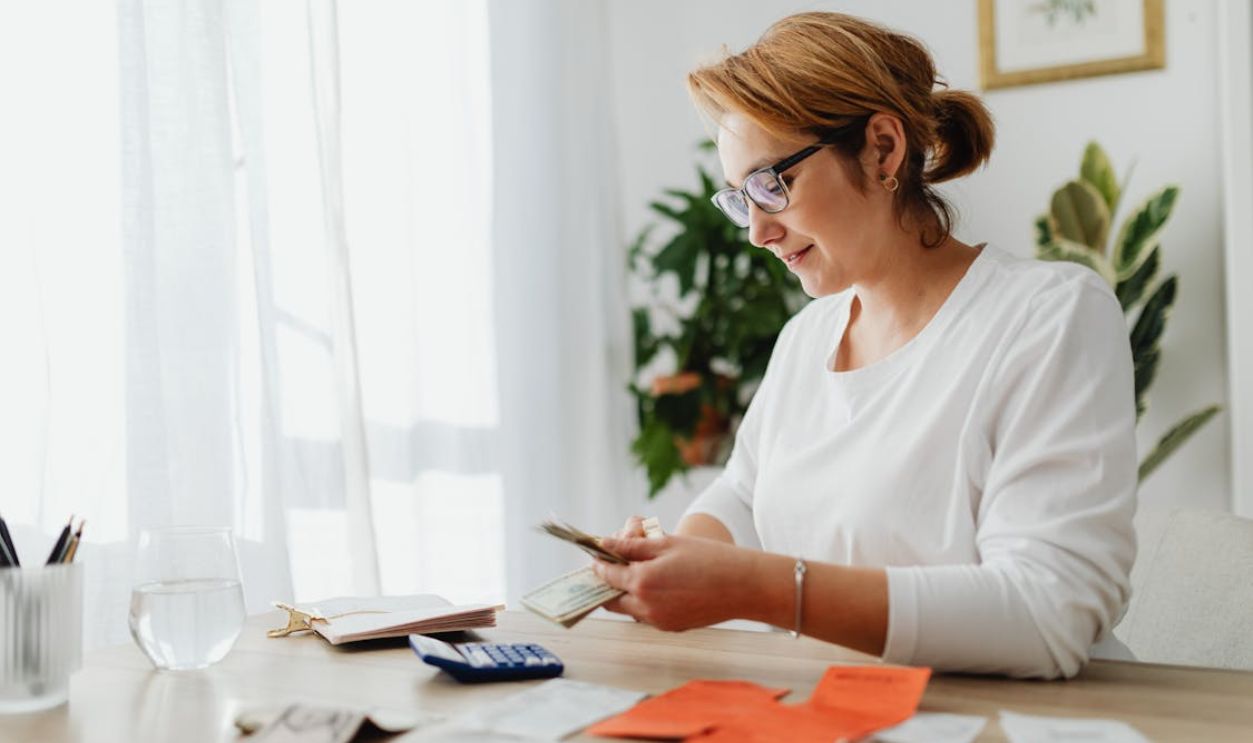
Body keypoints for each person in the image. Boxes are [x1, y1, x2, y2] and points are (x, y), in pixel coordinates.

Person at [593, 12, 1137, 680]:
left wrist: (756, 587)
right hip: (840, 707)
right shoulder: (807, 338)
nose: (756, 231)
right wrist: (670, 556)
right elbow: (745, 493)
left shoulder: (1048, 317)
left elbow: (1045, 610)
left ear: (882, 149)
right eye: (740, 199)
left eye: (772, 184)